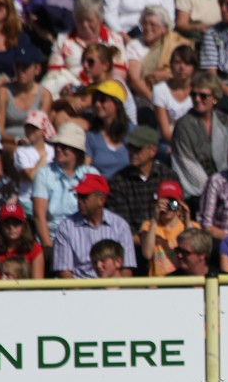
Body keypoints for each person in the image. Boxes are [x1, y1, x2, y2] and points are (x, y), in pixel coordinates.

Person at [40, 0, 126, 99]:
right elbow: (53, 74)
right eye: (80, 20)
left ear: (100, 19)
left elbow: (118, 75)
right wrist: (65, 87)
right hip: (68, 94)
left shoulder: (114, 40)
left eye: (89, 21)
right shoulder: (63, 39)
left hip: (102, 94)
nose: (85, 25)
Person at [53, 173, 138, 278]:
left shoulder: (120, 226)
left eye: (84, 196)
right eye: (78, 196)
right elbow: (64, 271)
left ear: (101, 200)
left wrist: (115, 292)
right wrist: (79, 293)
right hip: (80, 290)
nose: (79, 201)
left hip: (113, 290)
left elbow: (126, 269)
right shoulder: (66, 227)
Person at [171, 71, 228, 203]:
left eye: (203, 96)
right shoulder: (183, 125)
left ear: (215, 98)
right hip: (197, 195)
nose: (197, 99)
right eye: (193, 94)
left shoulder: (226, 122)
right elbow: (187, 164)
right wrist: (213, 189)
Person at [32, 122, 100, 251]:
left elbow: (97, 212)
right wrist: (48, 247)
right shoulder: (44, 173)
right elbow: (39, 215)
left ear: (77, 151)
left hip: (86, 239)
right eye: (57, 145)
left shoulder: (91, 174)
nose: (58, 149)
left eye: (64, 146)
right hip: (53, 239)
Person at [107, 124, 179, 234]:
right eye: (130, 148)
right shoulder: (118, 182)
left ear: (153, 150)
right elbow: (121, 225)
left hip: (167, 240)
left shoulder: (168, 177)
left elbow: (176, 210)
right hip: (134, 244)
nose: (132, 153)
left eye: (137, 149)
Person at [0, 41, 51, 154]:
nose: (20, 71)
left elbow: (41, 129)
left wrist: (29, 142)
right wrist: (17, 140)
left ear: (37, 69)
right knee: (17, 152)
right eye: (17, 66)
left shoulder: (44, 95)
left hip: (34, 143)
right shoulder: (3, 92)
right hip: (9, 143)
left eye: (25, 66)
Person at [126, 5, 192, 101]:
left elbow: (188, 71)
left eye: (153, 25)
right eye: (144, 24)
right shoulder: (135, 45)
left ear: (164, 29)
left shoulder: (174, 43)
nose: (148, 28)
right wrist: (154, 101)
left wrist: (168, 75)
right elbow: (135, 80)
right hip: (146, 97)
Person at [0, 0, 32, 97]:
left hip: (12, 91)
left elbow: (27, 70)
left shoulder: (20, 38)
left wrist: (7, 85)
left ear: (8, 8)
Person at [152, 44, 198, 144]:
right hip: (169, 143)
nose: (182, 67)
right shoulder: (160, 90)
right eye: (177, 62)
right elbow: (165, 133)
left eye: (187, 63)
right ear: (171, 65)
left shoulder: (199, 91)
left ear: (194, 67)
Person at [13, 110, 54, 218]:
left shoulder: (53, 151)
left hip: (50, 200)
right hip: (28, 200)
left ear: (43, 130)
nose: (30, 131)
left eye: (34, 128)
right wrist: (42, 160)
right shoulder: (21, 151)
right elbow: (31, 176)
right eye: (28, 127)